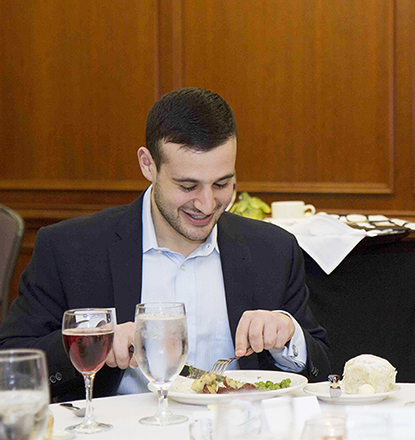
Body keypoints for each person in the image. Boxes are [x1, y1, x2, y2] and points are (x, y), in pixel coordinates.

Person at [0, 88, 330, 402]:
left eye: (222, 184)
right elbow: (9, 364)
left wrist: (289, 336)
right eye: (187, 186)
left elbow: (323, 369)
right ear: (148, 165)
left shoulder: (273, 250)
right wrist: (90, 344)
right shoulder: (71, 249)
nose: (206, 204)